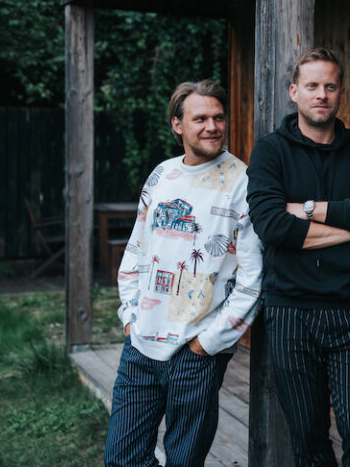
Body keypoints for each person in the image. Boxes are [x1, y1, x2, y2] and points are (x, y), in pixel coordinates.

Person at [104, 80, 263, 467]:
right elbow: (135, 251)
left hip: (196, 352)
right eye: (200, 118)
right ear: (177, 124)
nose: (212, 126)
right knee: (121, 458)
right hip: (141, 345)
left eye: (218, 117)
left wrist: (207, 343)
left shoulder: (243, 183)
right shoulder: (162, 175)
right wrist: (130, 317)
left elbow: (253, 280)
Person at [246, 48, 350, 466]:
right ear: (295, 92)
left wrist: (306, 209)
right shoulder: (270, 152)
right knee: (308, 439)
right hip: (291, 312)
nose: (321, 94)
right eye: (312, 86)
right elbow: (272, 226)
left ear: (341, 92)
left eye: (330, 86)